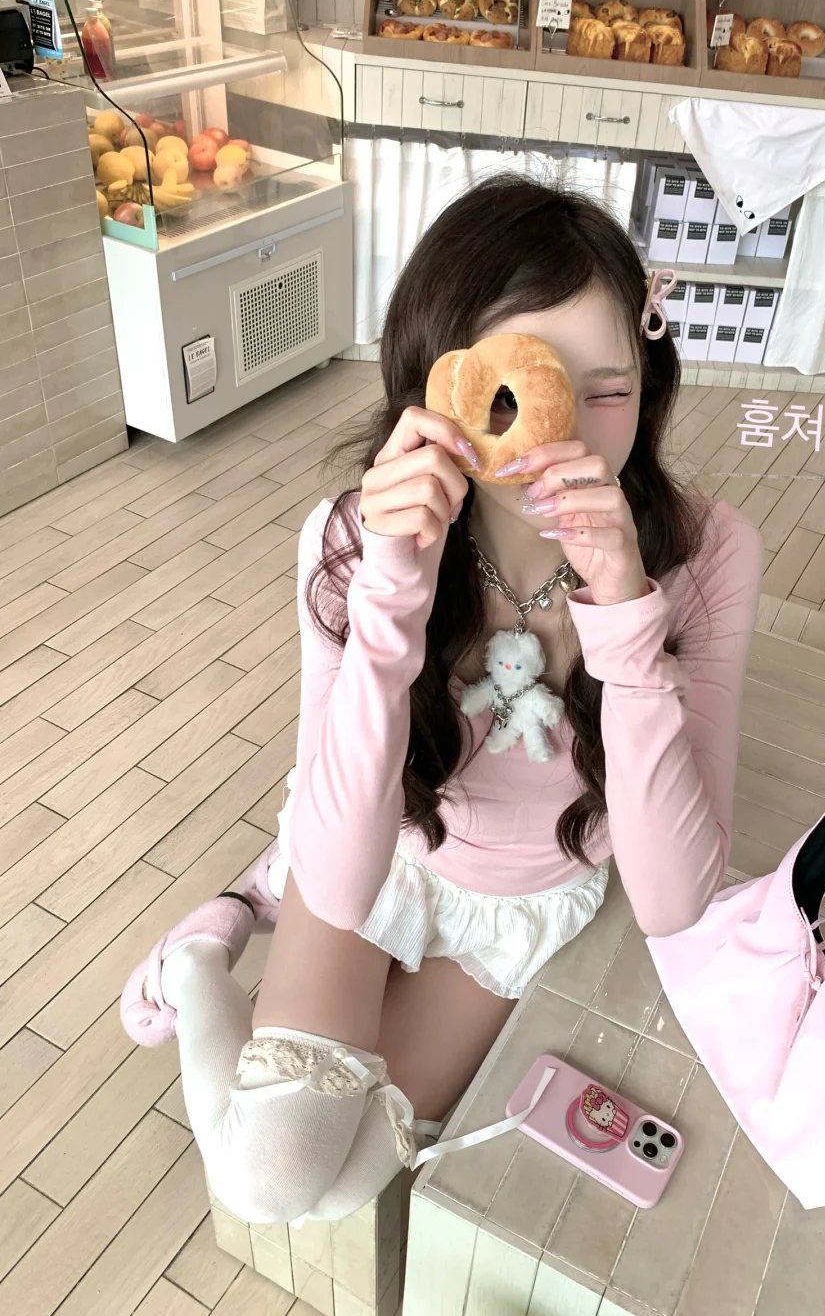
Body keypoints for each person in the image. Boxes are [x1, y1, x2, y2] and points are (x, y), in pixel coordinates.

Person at [120, 173, 763, 1227]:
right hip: (381, 847)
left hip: (521, 899)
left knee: (341, 1190)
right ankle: (204, 950)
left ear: (648, 383)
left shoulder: (707, 552)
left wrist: (624, 613)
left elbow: (676, 902)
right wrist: (393, 594)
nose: (563, 435)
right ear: (440, 383)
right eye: (513, 392)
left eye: (608, 390)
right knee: (268, 1179)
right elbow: (344, 875)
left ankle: (243, 912)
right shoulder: (352, 537)